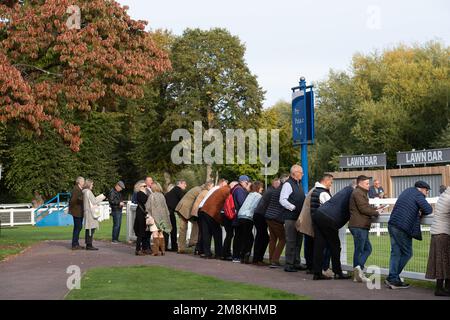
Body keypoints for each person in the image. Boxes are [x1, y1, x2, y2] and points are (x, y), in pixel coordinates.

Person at [385, 181, 433, 289]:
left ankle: (392, 278)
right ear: (421, 189)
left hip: (392, 224)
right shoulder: (418, 194)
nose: (427, 193)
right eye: (426, 191)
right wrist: (421, 211)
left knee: (395, 253)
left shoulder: (407, 191)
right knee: (407, 253)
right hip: (402, 227)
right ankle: (393, 278)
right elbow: (429, 209)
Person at [311, 184, 355, 280]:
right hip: (329, 219)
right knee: (335, 246)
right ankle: (337, 272)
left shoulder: (343, 191)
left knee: (319, 245)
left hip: (319, 214)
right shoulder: (353, 193)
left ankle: (317, 273)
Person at [298, 174, 334, 274]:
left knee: (310, 246)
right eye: (331, 182)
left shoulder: (313, 190)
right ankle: (321, 268)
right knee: (319, 246)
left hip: (310, 221)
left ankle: (311, 267)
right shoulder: (321, 192)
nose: (331, 184)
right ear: (326, 181)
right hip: (315, 222)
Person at [349, 175, 381, 282]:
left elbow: (364, 207)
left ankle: (358, 271)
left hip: (361, 225)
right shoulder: (358, 193)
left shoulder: (361, 193)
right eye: (367, 183)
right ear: (360, 183)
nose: (369, 185)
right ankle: (358, 271)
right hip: (359, 226)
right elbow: (363, 209)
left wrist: (375, 208)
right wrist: (376, 212)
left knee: (366, 249)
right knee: (361, 249)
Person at [280, 165, 306, 273]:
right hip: (291, 218)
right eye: (301, 172)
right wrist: (293, 208)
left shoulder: (298, 184)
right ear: (294, 173)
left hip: (298, 218)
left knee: (298, 242)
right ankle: (289, 264)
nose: (303, 174)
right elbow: (282, 200)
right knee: (291, 241)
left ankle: (296, 262)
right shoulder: (288, 184)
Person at [175, 180, 214, 254]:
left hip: (183, 208)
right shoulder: (201, 191)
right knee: (184, 228)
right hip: (185, 209)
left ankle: (188, 244)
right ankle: (185, 246)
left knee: (192, 226)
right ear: (208, 186)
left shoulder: (198, 188)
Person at [426, 186, 450, 296]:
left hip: (439, 233)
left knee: (443, 261)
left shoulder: (445, 195)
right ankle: (440, 289)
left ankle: (444, 288)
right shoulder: (448, 198)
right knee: (442, 261)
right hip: (442, 233)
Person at [199, 182, 234, 258]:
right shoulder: (227, 191)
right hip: (212, 212)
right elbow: (229, 203)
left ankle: (207, 253)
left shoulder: (221, 189)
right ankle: (218, 253)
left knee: (206, 233)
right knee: (217, 233)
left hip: (203, 210)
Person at [252, 178, 280, 266]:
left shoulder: (269, 191)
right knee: (263, 237)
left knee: (262, 237)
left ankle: (257, 258)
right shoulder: (273, 192)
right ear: (275, 184)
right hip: (261, 215)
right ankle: (257, 259)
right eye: (279, 184)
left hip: (258, 215)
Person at [265, 174, 290, 268]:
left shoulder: (277, 190)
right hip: (276, 218)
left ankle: (271, 259)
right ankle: (275, 260)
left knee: (273, 239)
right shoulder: (283, 190)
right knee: (283, 239)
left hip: (269, 216)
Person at [237, 181, 264, 264]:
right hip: (247, 217)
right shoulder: (258, 196)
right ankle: (246, 255)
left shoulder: (250, 194)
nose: (262, 189)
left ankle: (241, 255)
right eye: (261, 187)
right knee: (249, 238)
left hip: (241, 216)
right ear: (258, 187)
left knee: (243, 237)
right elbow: (254, 206)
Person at [226, 175, 250, 263]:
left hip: (236, 216)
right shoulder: (239, 190)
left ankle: (236, 255)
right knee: (239, 237)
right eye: (246, 182)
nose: (247, 184)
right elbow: (242, 203)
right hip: (239, 217)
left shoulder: (235, 189)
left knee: (237, 237)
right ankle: (236, 256)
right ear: (242, 181)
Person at [146, 182, 173, 251]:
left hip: (154, 217)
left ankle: (156, 251)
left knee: (155, 233)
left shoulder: (152, 196)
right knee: (161, 233)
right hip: (162, 217)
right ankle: (162, 250)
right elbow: (165, 207)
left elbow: (148, 207)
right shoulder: (162, 196)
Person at [82, 179, 106, 251]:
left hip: (87, 211)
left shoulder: (84, 192)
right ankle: (89, 245)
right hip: (90, 212)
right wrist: (102, 197)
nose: (92, 186)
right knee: (91, 229)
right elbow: (94, 201)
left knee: (88, 228)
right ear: (89, 184)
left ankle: (88, 244)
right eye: (92, 184)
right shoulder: (88, 192)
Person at [164, 180, 187, 251]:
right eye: (184, 184)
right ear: (179, 183)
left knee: (169, 229)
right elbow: (183, 201)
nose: (185, 185)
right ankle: (172, 246)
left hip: (168, 210)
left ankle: (167, 246)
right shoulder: (178, 190)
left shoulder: (175, 190)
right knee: (171, 229)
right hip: (168, 211)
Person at [69, 176, 85, 250]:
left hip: (79, 211)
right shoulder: (76, 189)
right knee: (77, 227)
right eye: (83, 181)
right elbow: (72, 200)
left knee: (78, 227)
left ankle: (76, 243)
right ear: (79, 182)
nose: (84, 183)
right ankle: (74, 244)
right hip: (76, 211)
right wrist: (80, 201)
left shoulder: (80, 189)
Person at [133, 182, 149, 256]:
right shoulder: (140, 193)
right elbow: (145, 201)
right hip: (141, 215)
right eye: (144, 186)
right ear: (140, 187)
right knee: (140, 232)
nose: (146, 187)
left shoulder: (144, 194)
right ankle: (138, 249)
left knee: (145, 232)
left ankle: (144, 248)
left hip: (143, 214)